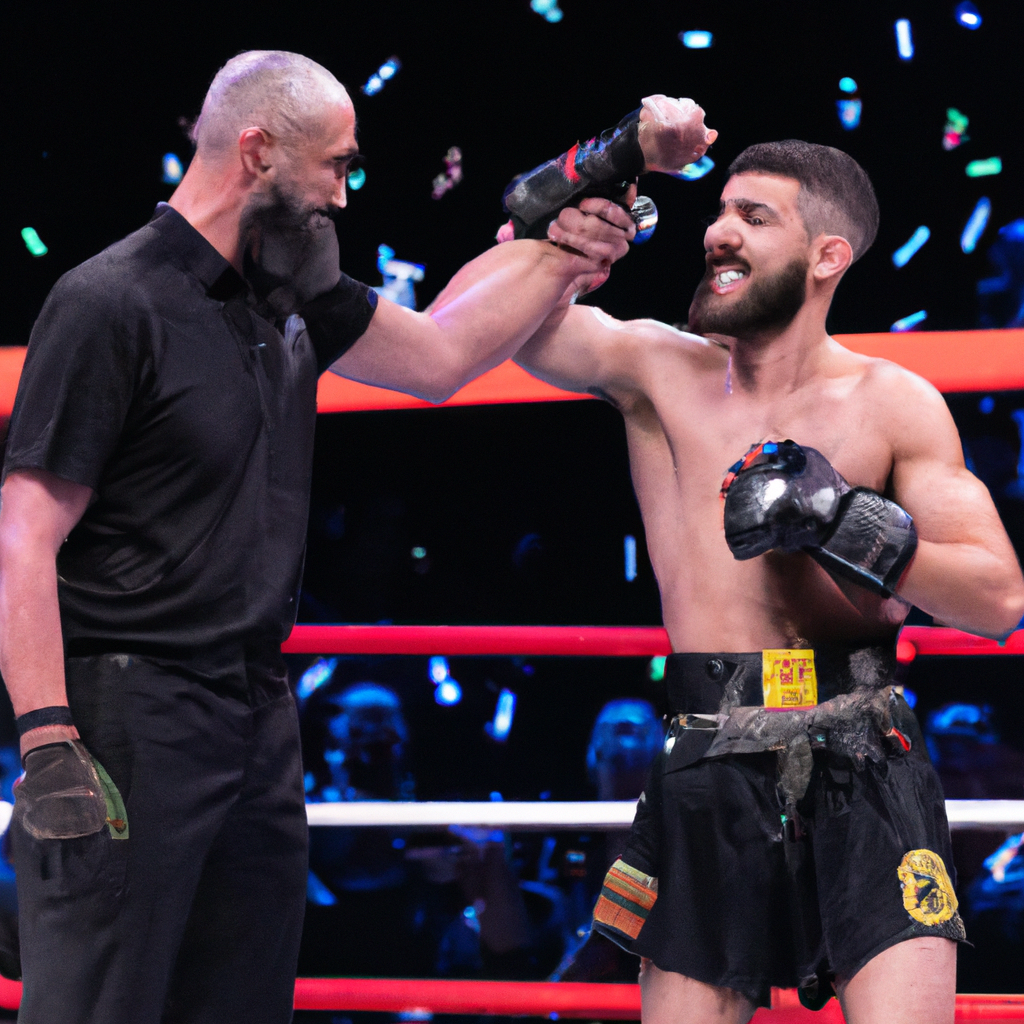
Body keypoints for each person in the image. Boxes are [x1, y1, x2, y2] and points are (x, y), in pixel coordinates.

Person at [0, 51, 715, 1024]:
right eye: (333, 165)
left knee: (239, 1000)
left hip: (255, 709)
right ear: (257, 152)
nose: (344, 191)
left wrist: (576, 225)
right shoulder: (109, 301)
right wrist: (46, 741)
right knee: (102, 1003)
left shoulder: (286, 295)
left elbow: (443, 351)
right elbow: (22, 536)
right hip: (131, 705)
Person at [511, 139, 1024, 1023]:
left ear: (829, 256)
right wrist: (591, 176)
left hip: (867, 757)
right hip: (709, 755)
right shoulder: (653, 369)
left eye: (754, 217)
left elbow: (998, 600)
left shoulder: (891, 402)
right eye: (718, 213)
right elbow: (505, 316)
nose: (717, 232)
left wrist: (844, 523)